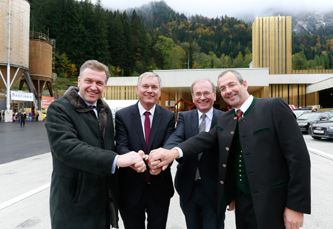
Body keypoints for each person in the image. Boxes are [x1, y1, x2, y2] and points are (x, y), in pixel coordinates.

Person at [149, 70, 311, 229]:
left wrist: (296, 206)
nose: (228, 91)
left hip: (273, 202)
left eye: (231, 85)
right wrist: (173, 152)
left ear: (244, 84)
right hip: (243, 203)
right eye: (223, 88)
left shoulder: (273, 106)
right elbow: (203, 140)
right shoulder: (228, 118)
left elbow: (298, 158)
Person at [45, 60, 147, 229]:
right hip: (73, 203)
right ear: (79, 81)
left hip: (102, 202)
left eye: (99, 83)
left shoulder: (104, 110)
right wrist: (117, 159)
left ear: (105, 86)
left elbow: (108, 148)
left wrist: (133, 159)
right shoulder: (59, 109)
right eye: (89, 81)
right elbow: (67, 148)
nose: (94, 87)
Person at [114, 72, 175, 229]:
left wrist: (159, 161)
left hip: (159, 187)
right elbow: (121, 145)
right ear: (137, 89)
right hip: (130, 187)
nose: (150, 90)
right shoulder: (123, 115)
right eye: (145, 86)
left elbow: (169, 144)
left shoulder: (168, 116)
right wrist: (134, 159)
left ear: (159, 91)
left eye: (154, 87)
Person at [163, 79, 225, 229]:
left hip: (214, 189)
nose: (202, 97)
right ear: (192, 97)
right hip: (188, 187)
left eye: (206, 93)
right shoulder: (185, 117)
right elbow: (177, 137)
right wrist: (167, 153)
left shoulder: (225, 118)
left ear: (214, 95)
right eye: (198, 94)